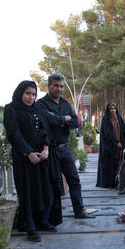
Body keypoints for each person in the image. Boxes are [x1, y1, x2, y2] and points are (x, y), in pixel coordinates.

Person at [36, 73, 95, 219]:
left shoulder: (65, 104)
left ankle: (79, 210)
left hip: (65, 148)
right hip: (50, 149)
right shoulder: (41, 104)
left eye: (61, 86)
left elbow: (75, 122)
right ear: (49, 86)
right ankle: (52, 216)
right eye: (56, 85)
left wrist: (57, 120)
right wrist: (64, 119)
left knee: (74, 180)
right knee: (53, 183)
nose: (59, 89)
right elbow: (45, 119)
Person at [3, 81, 57, 242]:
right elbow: (14, 134)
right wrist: (28, 152)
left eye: (33, 94)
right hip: (23, 157)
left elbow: (44, 130)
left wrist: (46, 148)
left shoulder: (37, 109)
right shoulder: (11, 109)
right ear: (20, 93)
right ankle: (30, 226)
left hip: (41, 156)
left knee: (43, 189)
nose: (30, 97)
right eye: (27, 93)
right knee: (26, 192)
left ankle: (42, 220)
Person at [96, 101, 125, 188]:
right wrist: (116, 142)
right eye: (111, 109)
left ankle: (115, 182)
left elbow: (123, 130)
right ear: (108, 110)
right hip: (108, 146)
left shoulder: (119, 118)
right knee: (108, 165)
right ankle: (107, 183)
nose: (113, 110)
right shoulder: (105, 119)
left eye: (114, 109)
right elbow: (107, 133)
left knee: (116, 164)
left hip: (118, 147)